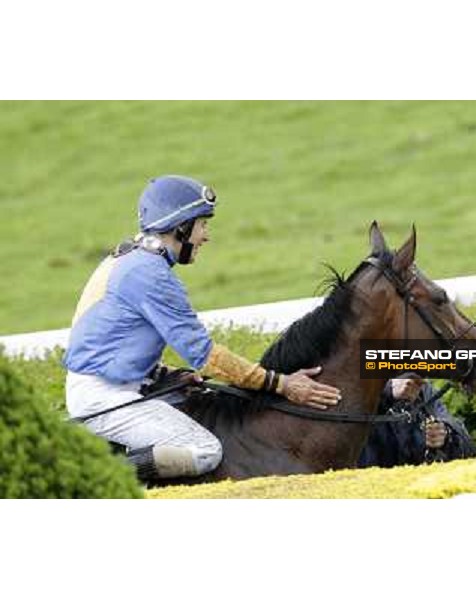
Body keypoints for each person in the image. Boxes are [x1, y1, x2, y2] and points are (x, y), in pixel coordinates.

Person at [64, 175, 341, 482]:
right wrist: (283, 384)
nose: (205, 236)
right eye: (202, 225)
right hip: (106, 398)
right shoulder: (151, 275)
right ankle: (98, 478)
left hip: (117, 387)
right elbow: (207, 357)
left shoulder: (131, 259)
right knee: (204, 450)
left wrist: (164, 374)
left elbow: (111, 343)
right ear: (181, 226)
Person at [358, 374, 476, 468]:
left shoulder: (427, 392)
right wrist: (389, 392)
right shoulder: (355, 385)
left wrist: (445, 435)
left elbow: (469, 447)